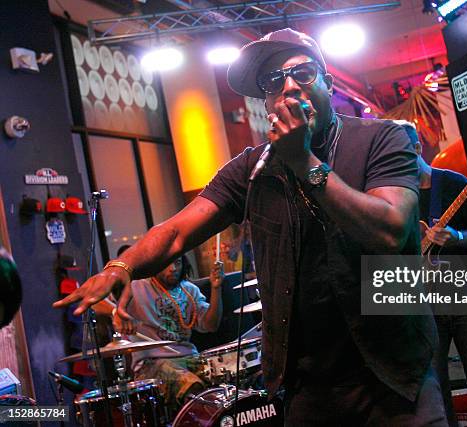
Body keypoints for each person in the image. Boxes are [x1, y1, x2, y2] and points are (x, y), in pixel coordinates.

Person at [55, 28, 446, 426]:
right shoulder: (252, 168)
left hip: (392, 375)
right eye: (273, 83)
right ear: (267, 102)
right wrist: (119, 268)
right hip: (309, 387)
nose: (289, 87)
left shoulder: (380, 138)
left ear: (327, 82)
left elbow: (391, 231)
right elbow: (176, 232)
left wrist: (304, 162)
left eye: (303, 74)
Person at [401, 122, 467, 427]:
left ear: (417, 149)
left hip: (466, 297)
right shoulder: (398, 198)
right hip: (427, 306)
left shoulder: (454, 182)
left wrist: (457, 236)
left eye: (401, 155)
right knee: (436, 388)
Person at [112, 256, 224, 413]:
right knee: (192, 385)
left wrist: (216, 289)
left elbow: (211, 325)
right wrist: (116, 312)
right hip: (151, 364)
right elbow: (97, 301)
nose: (173, 268)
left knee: (224, 376)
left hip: (189, 357)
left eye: (177, 263)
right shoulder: (136, 287)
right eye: (166, 264)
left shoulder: (190, 290)